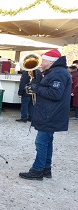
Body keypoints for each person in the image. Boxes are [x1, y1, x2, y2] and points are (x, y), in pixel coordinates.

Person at [19, 49, 72, 180]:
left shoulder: (58, 73)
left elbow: (55, 94)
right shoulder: (55, 71)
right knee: (47, 142)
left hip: (50, 113)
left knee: (41, 142)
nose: (41, 63)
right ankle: (46, 169)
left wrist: (36, 88)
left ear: (50, 61)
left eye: (43, 60)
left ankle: (37, 170)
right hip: (51, 112)